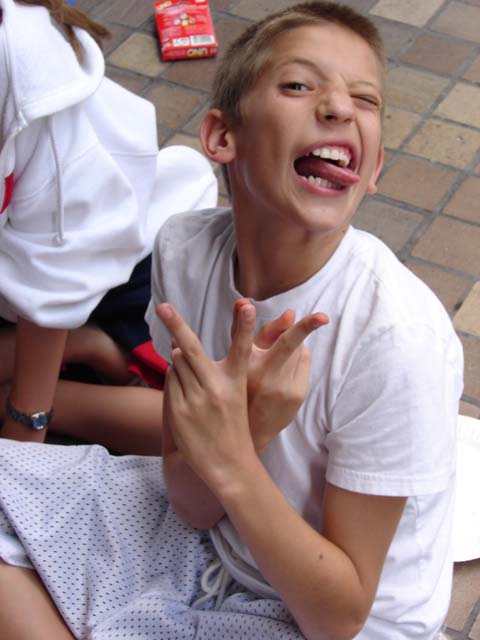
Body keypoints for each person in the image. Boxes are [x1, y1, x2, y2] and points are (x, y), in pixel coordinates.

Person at [0, 2, 463, 639]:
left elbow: (339, 617)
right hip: (215, 548)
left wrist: (236, 455)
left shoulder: (396, 339)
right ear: (222, 137)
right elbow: (191, 506)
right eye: (299, 85)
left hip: (324, 617)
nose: (339, 107)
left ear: (372, 169)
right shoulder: (185, 253)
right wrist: (242, 432)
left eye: (366, 99)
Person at [0, 0, 217, 447]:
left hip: (113, 275)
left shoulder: (22, 64)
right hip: (34, 291)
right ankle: (85, 349)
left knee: (211, 430)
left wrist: (24, 423)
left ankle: (92, 348)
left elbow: (59, 270)